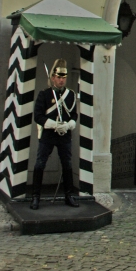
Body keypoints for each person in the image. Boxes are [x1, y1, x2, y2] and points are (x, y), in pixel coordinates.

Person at [30, 58, 79, 210]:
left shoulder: (70, 95)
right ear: (53, 78)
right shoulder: (44, 94)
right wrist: (53, 124)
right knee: (40, 164)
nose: (61, 80)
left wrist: (69, 124)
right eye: (58, 77)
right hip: (48, 135)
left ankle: (69, 195)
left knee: (67, 164)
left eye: (64, 77)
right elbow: (38, 116)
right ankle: (35, 196)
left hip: (64, 135)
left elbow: (73, 114)